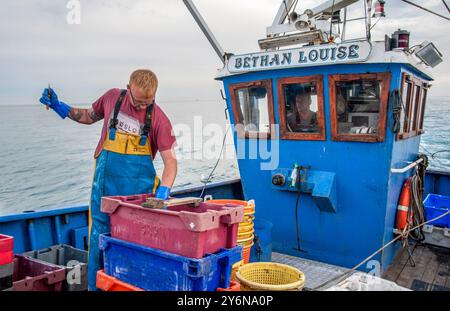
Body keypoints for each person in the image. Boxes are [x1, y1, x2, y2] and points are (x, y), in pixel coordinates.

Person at [39, 69, 177, 290]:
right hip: (105, 191)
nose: (142, 106)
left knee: (137, 247)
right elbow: (87, 116)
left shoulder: (159, 117)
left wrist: (164, 192)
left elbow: (170, 161)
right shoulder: (112, 98)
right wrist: (59, 107)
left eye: (148, 102)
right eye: (139, 101)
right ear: (128, 88)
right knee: (98, 241)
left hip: (138, 200)